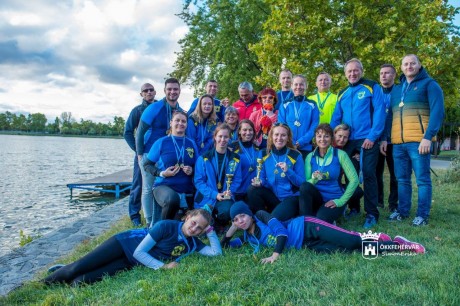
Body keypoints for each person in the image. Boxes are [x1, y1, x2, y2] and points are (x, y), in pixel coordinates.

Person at [43, 209, 222, 285]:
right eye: (193, 222)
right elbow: (139, 251)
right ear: (187, 217)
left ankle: (67, 271)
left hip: (131, 262)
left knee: (80, 282)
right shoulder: (166, 226)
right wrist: (163, 266)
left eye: (200, 228)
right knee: (77, 267)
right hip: (123, 245)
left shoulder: (193, 243)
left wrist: (210, 231)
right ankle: (45, 282)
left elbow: (216, 253)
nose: (194, 228)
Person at [221, 202, 424, 264]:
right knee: (347, 250)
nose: (240, 220)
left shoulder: (261, 215)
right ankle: (381, 241)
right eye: (236, 219)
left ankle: (401, 245)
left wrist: (275, 255)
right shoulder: (247, 236)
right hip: (307, 244)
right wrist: (231, 230)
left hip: (307, 226)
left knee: (351, 241)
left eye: (242, 216)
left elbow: (281, 233)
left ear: (249, 214)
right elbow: (226, 246)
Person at [384, 54, 444, 226]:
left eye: (412, 63)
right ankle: (403, 211)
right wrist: (385, 139)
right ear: (401, 68)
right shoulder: (397, 90)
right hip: (398, 143)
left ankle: (422, 215)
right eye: (405, 64)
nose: (409, 66)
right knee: (401, 179)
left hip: (419, 141)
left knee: (422, 180)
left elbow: (438, 112)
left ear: (419, 65)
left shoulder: (430, 85)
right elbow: (391, 116)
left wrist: (428, 137)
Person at [331, 58, 386, 229]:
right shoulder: (342, 93)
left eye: (356, 70)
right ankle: (353, 207)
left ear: (361, 71)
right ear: (345, 73)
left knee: (368, 173)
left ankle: (371, 213)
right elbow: (336, 117)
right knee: (349, 175)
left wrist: (373, 136)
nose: (353, 73)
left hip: (367, 139)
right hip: (348, 141)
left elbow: (379, 112)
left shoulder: (371, 86)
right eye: (349, 71)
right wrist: (334, 137)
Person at [136, 78, 183, 226]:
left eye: (175, 89)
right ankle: (150, 220)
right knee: (148, 188)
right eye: (169, 89)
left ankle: (162, 216)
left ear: (179, 91)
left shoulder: (179, 110)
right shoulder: (154, 108)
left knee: (162, 186)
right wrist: (139, 154)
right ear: (164, 90)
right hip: (150, 153)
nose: (172, 92)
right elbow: (140, 132)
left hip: (166, 156)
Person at [143, 111, 199, 223]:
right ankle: (160, 232)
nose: (180, 123)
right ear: (171, 123)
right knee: (172, 199)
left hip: (186, 189)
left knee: (182, 224)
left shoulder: (191, 143)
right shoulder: (161, 142)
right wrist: (162, 173)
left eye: (183, 121)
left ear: (187, 124)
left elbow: (198, 166)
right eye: (177, 120)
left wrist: (192, 170)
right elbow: (147, 165)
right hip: (164, 187)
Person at [299, 124, 359, 224]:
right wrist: (314, 178)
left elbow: (354, 180)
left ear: (332, 138)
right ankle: (306, 223)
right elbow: (307, 183)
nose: (322, 139)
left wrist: (340, 201)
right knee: (305, 186)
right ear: (315, 138)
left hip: (334, 198)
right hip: (317, 197)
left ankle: (336, 212)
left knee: (321, 219)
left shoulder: (340, 154)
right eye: (319, 136)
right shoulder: (310, 156)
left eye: (326, 136)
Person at [247, 123, 305, 221]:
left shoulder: (296, 155)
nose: (279, 138)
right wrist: (260, 182)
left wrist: (288, 171)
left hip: (290, 198)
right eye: (276, 134)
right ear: (271, 136)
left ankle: (273, 218)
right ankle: (260, 218)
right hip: (273, 196)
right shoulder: (263, 153)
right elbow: (261, 176)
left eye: (283, 135)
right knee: (252, 189)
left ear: (288, 138)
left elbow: (302, 183)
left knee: (274, 219)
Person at [194, 124, 243, 226]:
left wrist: (230, 191)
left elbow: (237, 180)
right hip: (207, 197)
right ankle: (211, 221)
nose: (223, 139)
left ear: (229, 138)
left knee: (227, 211)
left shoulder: (235, 158)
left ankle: (217, 223)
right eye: (220, 136)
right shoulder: (203, 158)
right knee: (200, 218)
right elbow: (198, 181)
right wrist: (214, 194)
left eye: (226, 137)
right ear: (215, 137)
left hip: (225, 197)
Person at [123, 83, 157, 226]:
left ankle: (155, 212)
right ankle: (135, 215)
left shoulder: (160, 107)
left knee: (156, 183)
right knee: (138, 184)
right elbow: (127, 133)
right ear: (141, 94)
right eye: (145, 91)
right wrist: (138, 150)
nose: (149, 92)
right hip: (142, 154)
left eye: (151, 90)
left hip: (158, 152)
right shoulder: (137, 111)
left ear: (155, 92)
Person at [278, 74, 319, 160]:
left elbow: (314, 126)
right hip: (288, 146)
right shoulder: (285, 104)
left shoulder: (312, 104)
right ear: (292, 86)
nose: (298, 87)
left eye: (301, 84)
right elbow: (282, 125)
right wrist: (290, 142)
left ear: (306, 86)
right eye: (296, 84)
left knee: (304, 172)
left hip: (306, 147)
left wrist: (301, 142)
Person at [377, 64, 399, 211]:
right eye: (382, 73)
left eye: (387, 73)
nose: (384, 76)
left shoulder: (400, 91)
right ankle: (379, 202)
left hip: (395, 140)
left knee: (395, 174)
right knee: (376, 173)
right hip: (377, 140)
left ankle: (393, 204)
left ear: (394, 75)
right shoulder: (376, 92)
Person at [333, 124, 363, 218]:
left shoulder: (348, 149)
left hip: (338, 184)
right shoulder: (327, 147)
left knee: (357, 191)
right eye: (340, 136)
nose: (342, 140)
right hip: (328, 184)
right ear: (334, 134)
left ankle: (354, 208)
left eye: (345, 137)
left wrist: (358, 155)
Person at [231, 119, 260, 201]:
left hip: (253, 191)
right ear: (239, 131)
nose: (248, 133)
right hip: (236, 192)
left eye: (250, 130)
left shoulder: (257, 148)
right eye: (244, 130)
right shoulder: (232, 147)